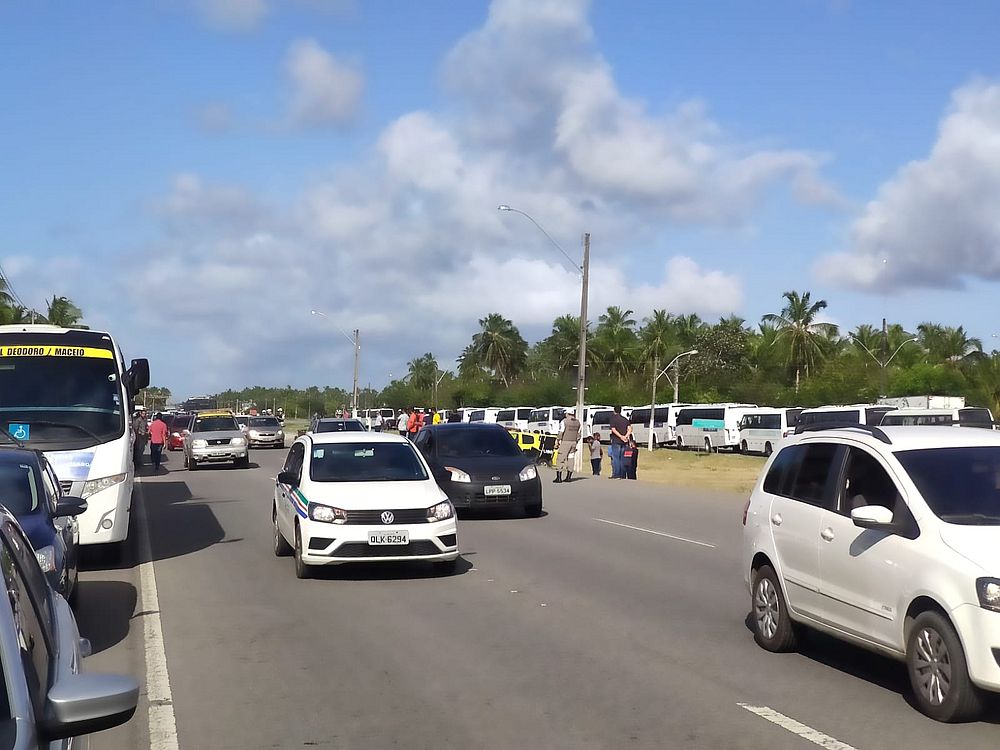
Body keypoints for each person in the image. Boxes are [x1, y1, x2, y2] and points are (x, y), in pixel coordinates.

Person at [553, 410, 582, 483]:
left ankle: (559, 478)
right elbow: (579, 434)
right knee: (571, 458)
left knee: (560, 459)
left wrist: (557, 440)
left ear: (567, 414)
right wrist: (576, 441)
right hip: (573, 442)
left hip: (565, 442)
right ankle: (568, 477)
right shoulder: (578, 422)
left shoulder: (564, 421)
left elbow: (561, 432)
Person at [608, 405, 631, 479]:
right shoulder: (625, 419)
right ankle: (622, 474)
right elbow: (630, 429)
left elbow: (613, 429)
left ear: (614, 411)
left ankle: (617, 474)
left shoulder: (613, 419)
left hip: (616, 441)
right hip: (624, 442)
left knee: (616, 458)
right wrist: (625, 436)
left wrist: (620, 436)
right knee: (622, 458)